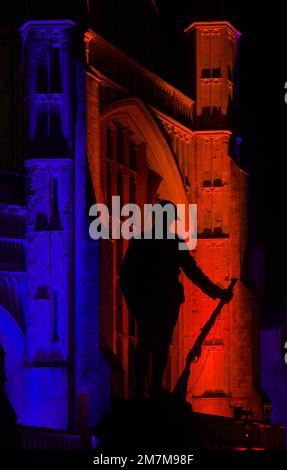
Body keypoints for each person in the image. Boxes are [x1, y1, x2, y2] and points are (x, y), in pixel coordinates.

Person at [120, 200, 233, 398]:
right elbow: (192, 273)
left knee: (155, 343)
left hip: (157, 301)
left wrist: (217, 292)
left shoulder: (144, 240)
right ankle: (145, 388)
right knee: (152, 343)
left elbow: (192, 272)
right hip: (157, 301)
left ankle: (148, 388)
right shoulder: (164, 241)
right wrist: (217, 292)